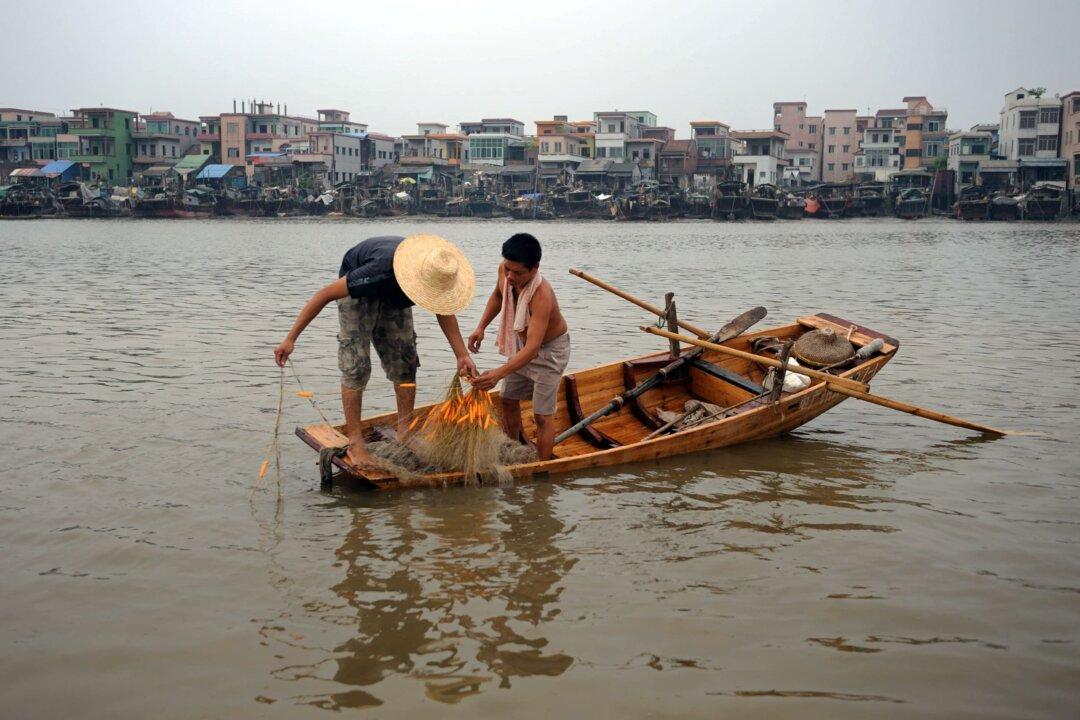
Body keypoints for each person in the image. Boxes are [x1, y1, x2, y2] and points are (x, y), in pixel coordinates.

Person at [274, 234, 477, 469]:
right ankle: (355, 441)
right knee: (357, 367)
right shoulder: (379, 272)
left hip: (395, 297)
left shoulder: (435, 271)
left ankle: (405, 431)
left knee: (405, 362)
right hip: (359, 294)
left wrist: (461, 354)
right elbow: (324, 295)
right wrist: (290, 339)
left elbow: (443, 312)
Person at [469, 233, 569, 460]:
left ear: (534, 268)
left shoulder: (541, 295)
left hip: (549, 351)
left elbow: (533, 349)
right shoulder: (504, 271)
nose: (510, 276)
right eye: (508, 269)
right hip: (522, 345)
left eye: (518, 272)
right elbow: (498, 294)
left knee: (542, 416)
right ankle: (513, 452)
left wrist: (497, 374)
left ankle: (541, 470)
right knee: (507, 399)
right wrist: (481, 327)